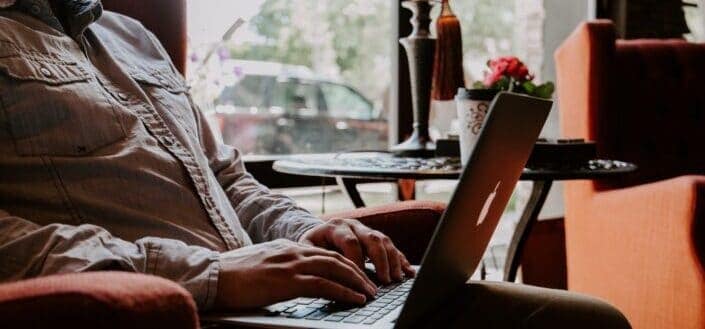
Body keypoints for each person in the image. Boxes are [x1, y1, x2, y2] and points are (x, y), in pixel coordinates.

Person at [0, 1, 631, 327]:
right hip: (179, 314)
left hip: (282, 310)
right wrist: (214, 275)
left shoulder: (132, 37)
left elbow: (226, 179)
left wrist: (305, 230)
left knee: (586, 321)